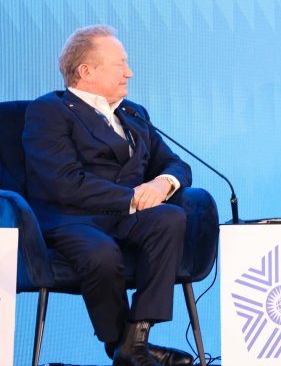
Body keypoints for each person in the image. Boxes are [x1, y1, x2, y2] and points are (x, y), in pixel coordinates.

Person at [23, 25, 194, 366]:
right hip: (73, 218)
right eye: (120, 64)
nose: (129, 72)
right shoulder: (50, 111)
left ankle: (136, 337)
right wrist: (131, 198)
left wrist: (162, 184)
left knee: (170, 217)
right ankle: (126, 349)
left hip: (126, 216)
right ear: (87, 71)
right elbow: (63, 181)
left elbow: (175, 164)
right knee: (101, 253)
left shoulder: (133, 113)